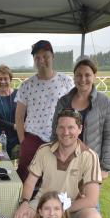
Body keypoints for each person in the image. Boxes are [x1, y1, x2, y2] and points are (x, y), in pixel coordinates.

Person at [14, 108, 103, 218]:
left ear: (80, 129)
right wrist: (24, 202)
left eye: (71, 127)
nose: (66, 132)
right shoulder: (44, 150)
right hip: (43, 201)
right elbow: (30, 182)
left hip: (72, 205)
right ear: (55, 129)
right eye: (61, 127)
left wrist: (61, 209)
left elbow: (91, 199)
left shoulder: (89, 156)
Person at [15, 40, 74, 181]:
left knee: (55, 178)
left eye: (45, 56)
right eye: (37, 57)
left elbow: (74, 111)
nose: (42, 60)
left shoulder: (66, 82)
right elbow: (19, 117)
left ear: (52, 56)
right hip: (32, 138)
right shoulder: (26, 85)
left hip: (59, 138)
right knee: (25, 176)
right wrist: (23, 141)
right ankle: (23, 202)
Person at [52, 58, 110, 178]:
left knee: (87, 196)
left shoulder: (106, 103)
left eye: (87, 75)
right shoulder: (63, 101)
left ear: (94, 76)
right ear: (74, 77)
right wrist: (53, 158)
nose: (83, 79)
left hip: (90, 164)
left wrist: (105, 168)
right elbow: (55, 131)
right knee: (61, 196)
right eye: (78, 75)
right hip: (64, 162)